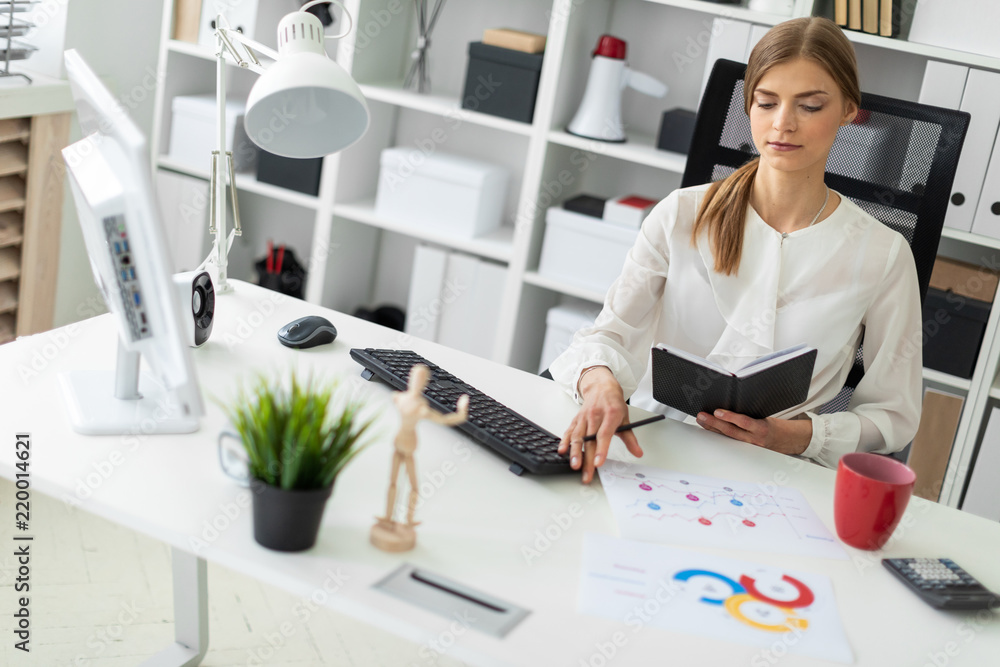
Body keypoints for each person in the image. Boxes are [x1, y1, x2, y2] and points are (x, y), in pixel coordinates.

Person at [551, 16, 922, 483]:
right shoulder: (680, 215)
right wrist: (600, 383)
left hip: (774, 473)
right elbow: (606, 336)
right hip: (649, 444)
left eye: (809, 106)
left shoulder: (881, 255)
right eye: (766, 103)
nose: (782, 124)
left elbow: (893, 414)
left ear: (849, 109)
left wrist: (795, 436)